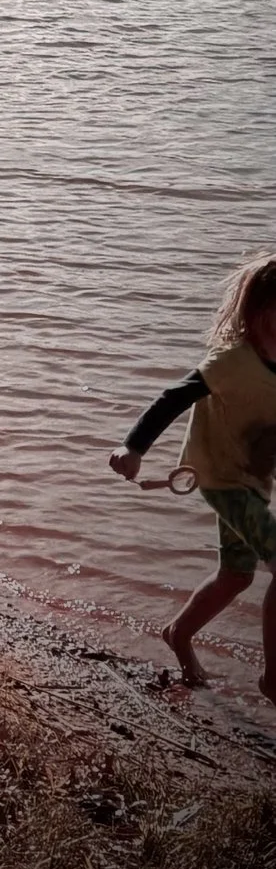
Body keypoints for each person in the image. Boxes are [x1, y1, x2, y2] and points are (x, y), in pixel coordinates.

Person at [112, 251, 276, 696]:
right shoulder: (231, 363)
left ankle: (178, 634)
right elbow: (173, 398)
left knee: (237, 575)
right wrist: (134, 447)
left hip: (252, 484)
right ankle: (273, 680)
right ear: (262, 315)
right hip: (222, 480)